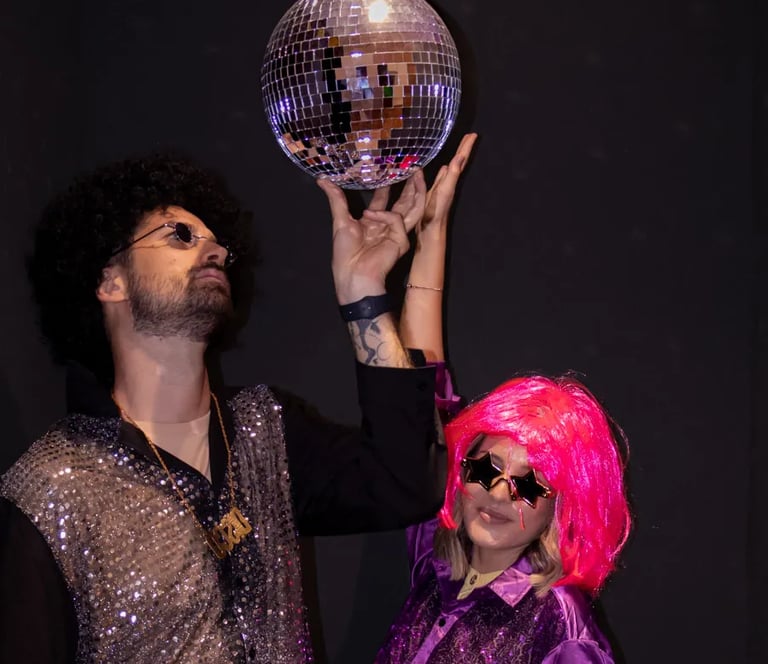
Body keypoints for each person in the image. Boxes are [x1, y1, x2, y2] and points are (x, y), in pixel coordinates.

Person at [0, 149, 456, 663]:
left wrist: (364, 292)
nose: (213, 250)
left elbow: (408, 485)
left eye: (218, 243)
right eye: (180, 236)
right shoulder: (54, 486)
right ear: (111, 282)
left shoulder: (265, 430)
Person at [378, 134, 632, 662]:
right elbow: (423, 393)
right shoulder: (437, 563)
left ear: (561, 507)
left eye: (528, 484)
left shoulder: (561, 625)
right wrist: (431, 236)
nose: (497, 493)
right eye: (484, 469)